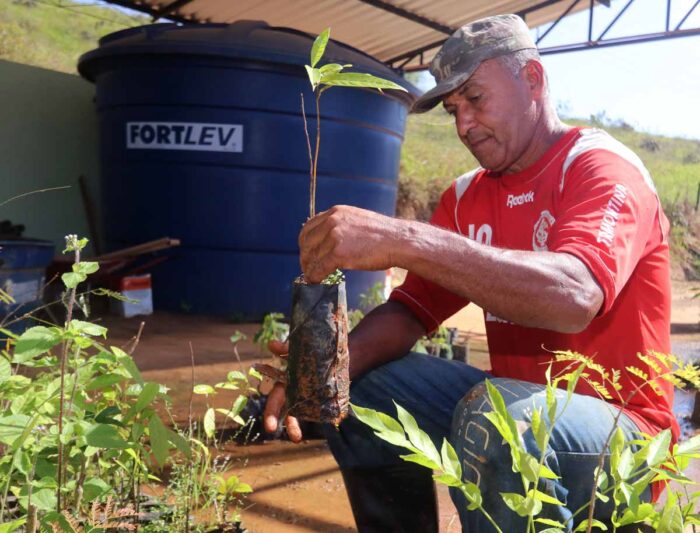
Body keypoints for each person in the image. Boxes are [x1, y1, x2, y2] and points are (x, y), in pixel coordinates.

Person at [264, 13, 677, 532]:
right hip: (513, 417)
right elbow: (410, 311)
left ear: (533, 78)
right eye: (454, 109)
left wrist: (404, 238)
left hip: (625, 442)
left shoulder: (598, 168)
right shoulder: (466, 197)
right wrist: (324, 374)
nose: (463, 125)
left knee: (496, 418)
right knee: (362, 394)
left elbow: (575, 295)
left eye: (476, 100)